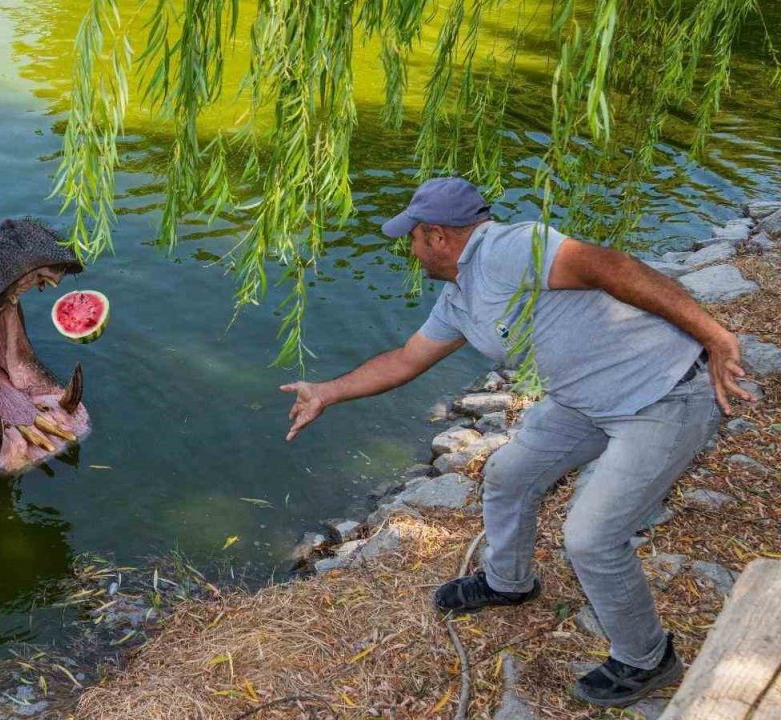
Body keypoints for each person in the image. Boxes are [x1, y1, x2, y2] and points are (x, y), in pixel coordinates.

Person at [279, 177, 754, 707]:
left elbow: (614, 267)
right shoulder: (460, 295)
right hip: (584, 402)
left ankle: (648, 658)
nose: (408, 247)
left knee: (591, 538)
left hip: (663, 397)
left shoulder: (509, 249)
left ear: (437, 236)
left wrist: (714, 336)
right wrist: (327, 391)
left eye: (411, 237)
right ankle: (509, 582)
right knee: (508, 475)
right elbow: (407, 360)